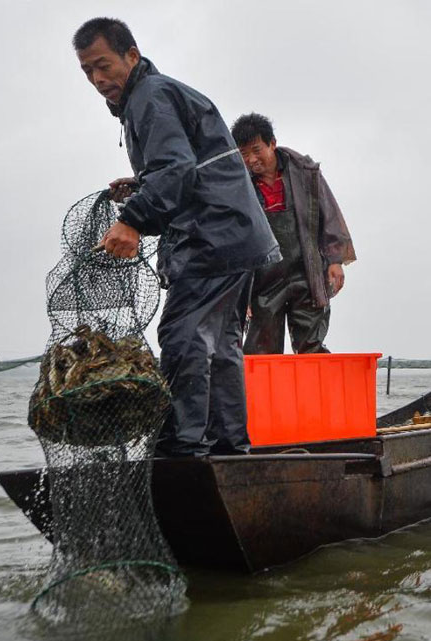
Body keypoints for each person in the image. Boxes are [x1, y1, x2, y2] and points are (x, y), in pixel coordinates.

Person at [72, 18, 280, 457]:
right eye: (88, 71)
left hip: (212, 237)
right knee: (222, 346)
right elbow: (190, 164)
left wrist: (132, 219)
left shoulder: (151, 96)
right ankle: (228, 447)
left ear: (132, 55)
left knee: (183, 333)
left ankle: (181, 448)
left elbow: (177, 170)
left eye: (104, 65)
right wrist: (141, 183)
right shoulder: (152, 97)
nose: (98, 79)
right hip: (235, 236)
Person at [231, 113, 356, 354]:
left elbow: (328, 214)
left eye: (256, 150)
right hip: (263, 281)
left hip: (306, 271)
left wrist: (335, 261)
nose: (251, 159)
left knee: (312, 345)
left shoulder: (305, 171)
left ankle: (316, 391)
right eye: (244, 154)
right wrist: (240, 292)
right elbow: (234, 239)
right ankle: (262, 392)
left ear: (272, 143)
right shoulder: (238, 184)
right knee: (260, 349)